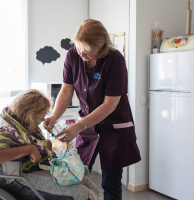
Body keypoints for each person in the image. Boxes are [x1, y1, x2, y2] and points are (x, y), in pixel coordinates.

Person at [44, 19, 141, 200]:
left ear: (101, 46)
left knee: (111, 183)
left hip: (113, 127)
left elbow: (109, 104)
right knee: (76, 174)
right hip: (87, 126)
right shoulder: (73, 55)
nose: (81, 53)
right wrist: (54, 115)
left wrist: (79, 126)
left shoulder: (115, 60)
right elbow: (66, 91)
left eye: (87, 51)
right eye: (79, 47)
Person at [0, 89, 53, 172]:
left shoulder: (22, 123)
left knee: (48, 143)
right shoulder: (5, 127)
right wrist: (31, 149)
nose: (44, 119)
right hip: (16, 176)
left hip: (28, 171)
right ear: (31, 115)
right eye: (41, 117)